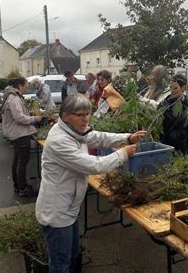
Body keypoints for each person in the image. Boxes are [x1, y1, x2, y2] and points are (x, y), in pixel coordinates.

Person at [35, 94, 146, 272]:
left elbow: (98, 137)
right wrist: (123, 153)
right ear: (65, 116)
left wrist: (127, 137)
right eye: (80, 114)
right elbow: (95, 165)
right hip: (56, 212)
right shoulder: (59, 141)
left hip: (69, 207)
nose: (85, 118)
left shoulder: (73, 130)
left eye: (87, 113)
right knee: (60, 264)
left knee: (73, 256)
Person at [1, 77, 42, 197]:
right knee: (22, 162)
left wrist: (29, 113)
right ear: (19, 86)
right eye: (25, 86)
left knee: (18, 160)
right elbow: (19, 118)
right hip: (19, 133)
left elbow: (18, 114)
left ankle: (18, 186)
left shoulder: (13, 96)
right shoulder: (13, 98)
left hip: (16, 133)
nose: (27, 88)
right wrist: (35, 119)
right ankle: (22, 188)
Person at [158, 74, 188, 156]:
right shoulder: (164, 105)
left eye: (175, 88)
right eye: (171, 88)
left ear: (183, 88)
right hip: (166, 147)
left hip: (182, 148)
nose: (172, 91)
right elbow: (158, 127)